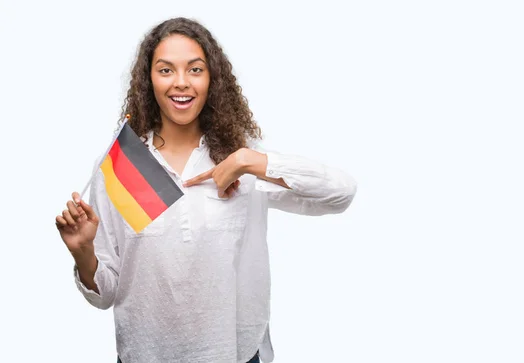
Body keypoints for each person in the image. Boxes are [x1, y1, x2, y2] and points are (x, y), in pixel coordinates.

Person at [55, 17, 356, 363]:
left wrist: (248, 160)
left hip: (234, 353)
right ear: (148, 80)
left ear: (212, 79)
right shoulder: (122, 166)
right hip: (146, 354)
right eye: (165, 70)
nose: (181, 83)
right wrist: (83, 253)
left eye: (195, 69)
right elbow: (104, 294)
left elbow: (340, 193)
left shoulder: (242, 160)